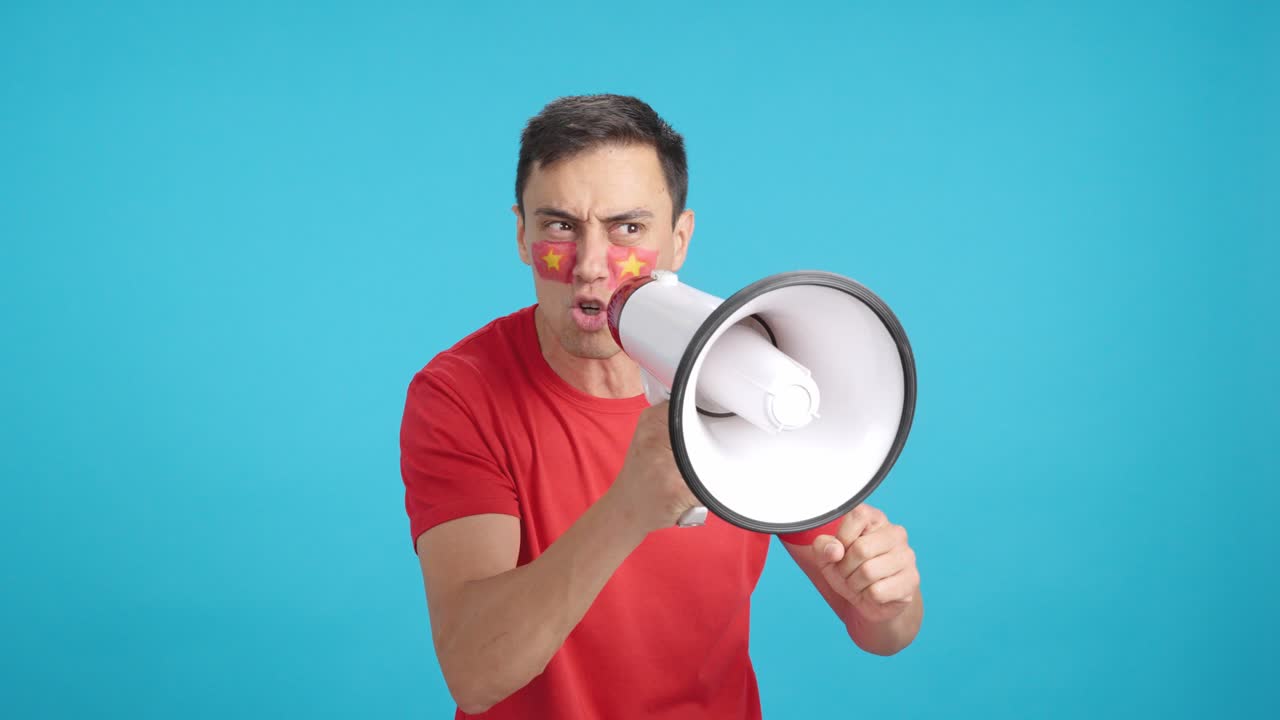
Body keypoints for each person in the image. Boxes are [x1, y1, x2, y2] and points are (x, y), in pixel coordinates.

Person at [399, 94, 923, 719]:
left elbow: (884, 631)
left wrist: (888, 594)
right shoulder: (459, 394)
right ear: (522, 234)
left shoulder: (751, 374)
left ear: (679, 239)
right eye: (560, 226)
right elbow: (474, 672)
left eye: (628, 228)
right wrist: (628, 510)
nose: (591, 267)